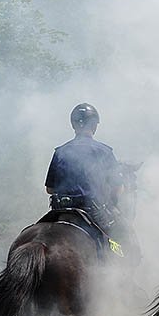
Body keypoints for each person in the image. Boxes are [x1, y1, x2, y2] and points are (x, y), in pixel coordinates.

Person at [45, 103, 139, 260]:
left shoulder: (60, 151)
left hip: (59, 211)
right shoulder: (104, 151)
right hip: (93, 211)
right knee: (123, 242)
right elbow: (117, 188)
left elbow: (50, 189)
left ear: (73, 125)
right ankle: (124, 263)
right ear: (94, 125)